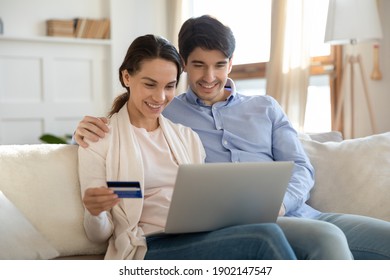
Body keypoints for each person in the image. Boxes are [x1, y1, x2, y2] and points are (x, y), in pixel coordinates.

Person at [75, 17, 390, 260]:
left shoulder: (242, 115)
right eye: (198, 65)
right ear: (185, 64)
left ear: (231, 62)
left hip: (291, 214)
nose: (209, 77)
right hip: (216, 232)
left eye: (219, 65)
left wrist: (280, 204)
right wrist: (82, 137)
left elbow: (299, 166)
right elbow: (126, 126)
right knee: (311, 239)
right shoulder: (161, 118)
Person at [78, 34, 296, 260]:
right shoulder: (99, 140)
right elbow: (98, 236)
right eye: (149, 84)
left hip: (200, 235)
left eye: (169, 86)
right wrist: (95, 212)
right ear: (126, 77)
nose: (160, 97)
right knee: (266, 237)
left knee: (266, 233)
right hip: (149, 245)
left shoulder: (187, 138)